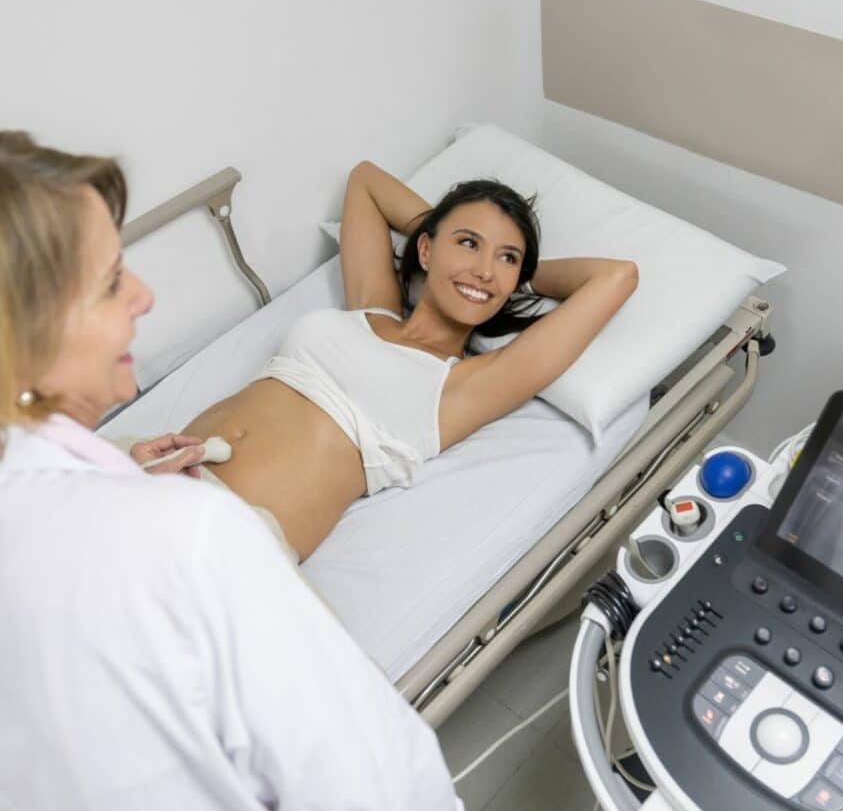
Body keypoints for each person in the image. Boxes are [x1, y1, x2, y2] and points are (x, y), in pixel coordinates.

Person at [0, 132, 495, 811]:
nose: (143, 296)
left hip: (203, 508)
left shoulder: (456, 382)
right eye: (109, 282)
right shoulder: (188, 538)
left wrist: (502, 278)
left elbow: (615, 278)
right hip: (175, 507)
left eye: (507, 258)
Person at [179, 160, 639, 561]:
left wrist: (515, 276)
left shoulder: (464, 387)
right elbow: (366, 181)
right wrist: (443, 239)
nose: (485, 269)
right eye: (469, 242)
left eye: (507, 256)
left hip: (228, 540)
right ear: (424, 249)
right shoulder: (370, 310)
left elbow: (617, 277)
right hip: (158, 474)